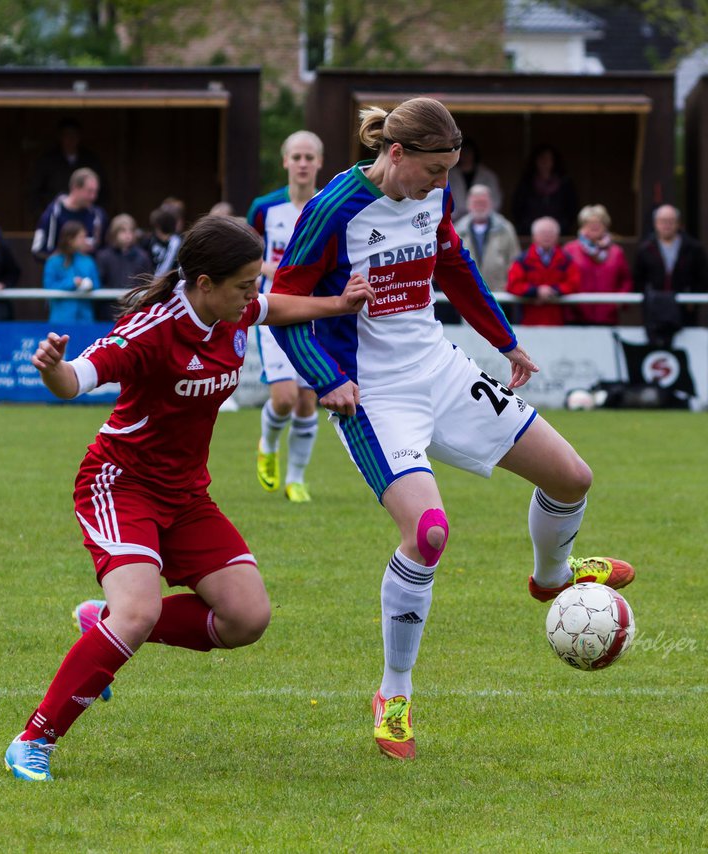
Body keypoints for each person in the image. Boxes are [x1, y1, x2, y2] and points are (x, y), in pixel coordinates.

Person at [270, 97, 635, 761]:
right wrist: (328, 379)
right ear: (397, 154)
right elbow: (282, 306)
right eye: (434, 171)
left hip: (440, 367)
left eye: (450, 173)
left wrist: (506, 342)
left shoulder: (433, 196)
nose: (442, 185)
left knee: (572, 477)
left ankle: (552, 578)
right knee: (429, 534)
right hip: (374, 395)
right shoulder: (334, 209)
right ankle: (395, 692)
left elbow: (456, 267)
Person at [2, 215, 374, 782]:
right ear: (203, 283)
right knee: (139, 611)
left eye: (254, 283)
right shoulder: (153, 330)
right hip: (120, 483)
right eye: (244, 284)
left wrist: (338, 306)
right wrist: (53, 369)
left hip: (186, 494)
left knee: (247, 617)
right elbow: (78, 377)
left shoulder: (234, 308)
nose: (253, 294)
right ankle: (33, 740)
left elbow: (275, 307)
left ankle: (102, 624)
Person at [246, 130, 325, 502]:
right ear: (285, 162)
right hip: (275, 310)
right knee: (283, 398)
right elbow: (246, 253)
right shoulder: (265, 208)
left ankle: (296, 479)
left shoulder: (329, 205)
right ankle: (267, 443)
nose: (303, 163)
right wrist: (275, 271)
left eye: (310, 157)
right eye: (297, 157)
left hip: (315, 312)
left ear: (319, 163)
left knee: (308, 400)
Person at [454, 184, 520, 321]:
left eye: (483, 202)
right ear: (469, 204)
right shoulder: (457, 230)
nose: (480, 205)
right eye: (476, 202)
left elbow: (515, 261)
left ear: (491, 203)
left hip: (499, 297)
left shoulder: (505, 229)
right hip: (467, 298)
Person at [563, 204, 633, 326]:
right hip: (577, 316)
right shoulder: (570, 249)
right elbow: (562, 277)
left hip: (607, 316)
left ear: (606, 226)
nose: (594, 226)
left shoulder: (616, 252)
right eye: (589, 223)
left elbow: (626, 280)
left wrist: (618, 302)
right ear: (582, 226)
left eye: (599, 222)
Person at [28, 117, 108, 218]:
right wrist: (43, 216)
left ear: (79, 137)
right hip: (57, 217)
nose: (71, 139)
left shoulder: (90, 160)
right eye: (67, 135)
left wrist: (95, 216)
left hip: (85, 217)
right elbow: (33, 193)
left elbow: (104, 192)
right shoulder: (47, 161)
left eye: (74, 135)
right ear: (60, 137)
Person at [507, 216, 579, 326]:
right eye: (542, 232)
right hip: (528, 322)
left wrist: (553, 291)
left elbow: (574, 284)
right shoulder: (523, 260)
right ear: (534, 236)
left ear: (557, 236)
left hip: (559, 322)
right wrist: (536, 291)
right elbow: (513, 285)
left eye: (550, 232)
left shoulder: (566, 260)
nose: (547, 236)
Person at [632, 205, 708, 297]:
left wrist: (693, 299)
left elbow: (704, 277)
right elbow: (638, 279)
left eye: (671, 221)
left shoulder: (693, 248)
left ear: (678, 223)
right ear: (655, 223)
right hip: (654, 305)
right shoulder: (645, 249)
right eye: (663, 221)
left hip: (684, 305)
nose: (667, 225)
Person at [31, 168, 107, 262]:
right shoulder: (53, 215)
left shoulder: (98, 216)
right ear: (75, 188)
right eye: (89, 191)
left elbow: (106, 252)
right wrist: (65, 253)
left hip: (90, 273)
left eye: (96, 192)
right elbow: (38, 252)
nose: (93, 197)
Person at [511, 144, 578, 236]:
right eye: (542, 159)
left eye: (548, 159)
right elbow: (517, 209)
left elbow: (572, 209)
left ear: (554, 162)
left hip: (559, 233)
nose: (545, 162)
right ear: (535, 161)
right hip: (529, 232)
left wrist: (562, 226)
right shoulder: (526, 183)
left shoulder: (565, 183)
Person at [94, 213, 151, 321]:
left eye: (131, 231)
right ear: (114, 233)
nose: (128, 235)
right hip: (108, 313)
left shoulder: (143, 257)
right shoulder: (103, 256)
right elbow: (99, 283)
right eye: (123, 231)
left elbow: (147, 283)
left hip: (135, 313)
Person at [43, 221, 98, 325]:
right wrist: (72, 283)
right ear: (70, 239)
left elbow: (96, 284)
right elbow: (49, 287)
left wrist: (89, 285)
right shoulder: (53, 261)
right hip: (61, 320)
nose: (84, 240)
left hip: (85, 319)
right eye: (81, 237)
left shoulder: (88, 261)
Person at [447, 139, 502, 219]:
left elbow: (496, 201)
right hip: (455, 222)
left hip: (483, 221)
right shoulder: (449, 176)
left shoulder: (488, 176)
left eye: (468, 152)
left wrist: (481, 216)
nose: (465, 155)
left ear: (474, 153)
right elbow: (445, 201)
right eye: (463, 152)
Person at [141, 205, 182, 277]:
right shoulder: (149, 241)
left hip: (170, 282)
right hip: (152, 282)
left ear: (157, 226)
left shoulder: (177, 243)